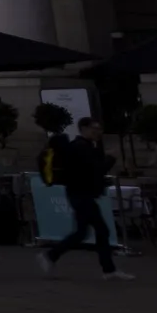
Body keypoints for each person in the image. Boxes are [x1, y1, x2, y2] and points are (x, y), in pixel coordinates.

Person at [41, 116, 128, 279]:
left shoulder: (84, 146)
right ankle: (108, 270)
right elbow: (96, 170)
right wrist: (111, 158)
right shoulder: (81, 147)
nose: (98, 132)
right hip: (81, 195)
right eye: (94, 129)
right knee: (100, 230)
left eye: (100, 129)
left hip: (80, 194)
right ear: (84, 129)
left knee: (83, 233)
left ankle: (52, 255)